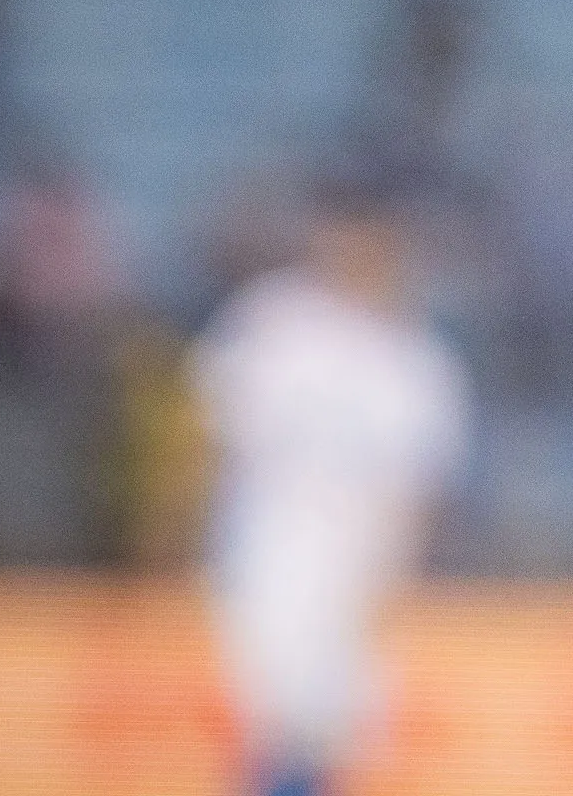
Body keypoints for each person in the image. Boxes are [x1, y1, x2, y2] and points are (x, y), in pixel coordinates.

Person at [193, 184, 470, 796]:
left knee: (336, 727)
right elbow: (213, 438)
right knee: (266, 712)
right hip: (267, 546)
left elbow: (422, 490)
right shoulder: (273, 320)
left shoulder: (415, 359)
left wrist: (400, 578)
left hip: (357, 566)